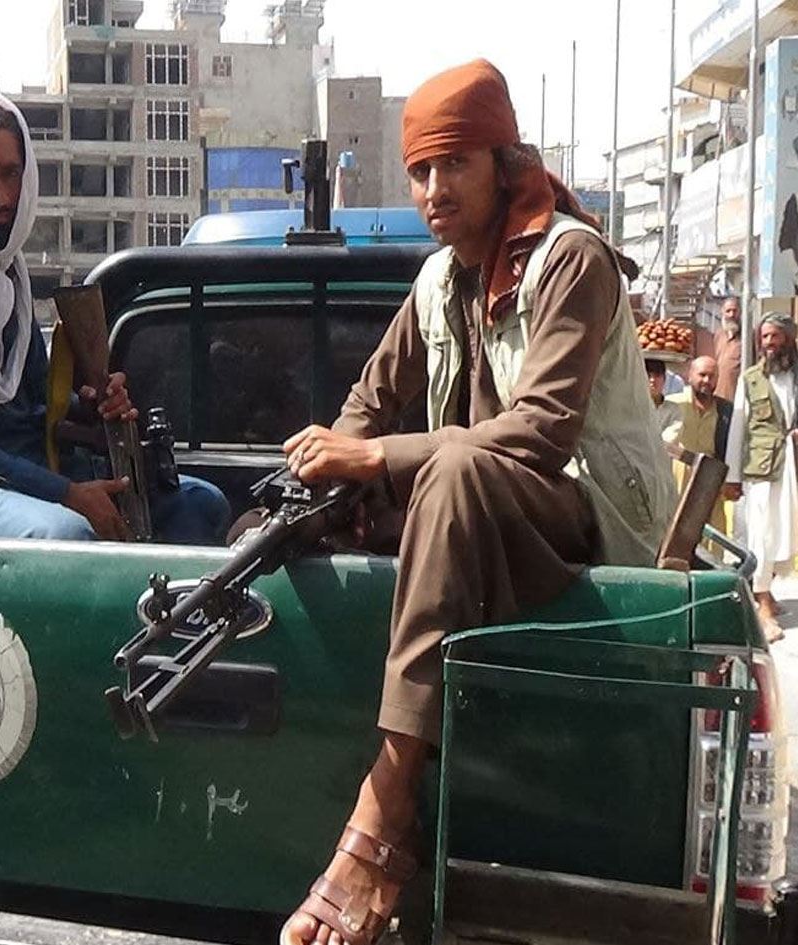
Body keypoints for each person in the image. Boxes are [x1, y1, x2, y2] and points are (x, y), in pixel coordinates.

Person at [276, 60, 676, 945]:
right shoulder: (438, 279)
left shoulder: (569, 259)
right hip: (485, 520)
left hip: (589, 518)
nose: (434, 188)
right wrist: (323, 472)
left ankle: (382, 816)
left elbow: (540, 433)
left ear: (503, 159)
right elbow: (369, 400)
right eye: (420, 169)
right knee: (302, 515)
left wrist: (375, 456)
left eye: (454, 163)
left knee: (449, 471)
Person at [0, 79, 229, 543]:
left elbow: (38, 405)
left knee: (200, 504)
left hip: (34, 476)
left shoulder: (5, 276)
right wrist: (68, 493)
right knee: (67, 535)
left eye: (10, 174)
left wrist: (95, 406)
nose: (1, 197)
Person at [725, 312, 798, 642]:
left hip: (797, 464)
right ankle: (761, 600)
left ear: (789, 339)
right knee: (763, 532)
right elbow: (738, 429)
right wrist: (732, 476)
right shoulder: (751, 379)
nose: (768, 343)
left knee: (790, 531)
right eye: (763, 337)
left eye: (774, 336)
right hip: (762, 467)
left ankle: (767, 588)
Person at [665, 355, 737, 541]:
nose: (706, 380)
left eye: (712, 376)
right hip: (678, 475)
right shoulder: (673, 403)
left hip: (710, 477)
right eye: (702, 375)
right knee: (673, 532)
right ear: (690, 376)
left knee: (713, 536)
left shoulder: (726, 411)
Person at [645, 358, 682, 441]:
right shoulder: (631, 408)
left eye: (657, 375)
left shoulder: (673, 410)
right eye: (648, 376)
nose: (652, 380)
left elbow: (669, 439)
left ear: (664, 379)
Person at [714, 297, 743, 402]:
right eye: (728, 311)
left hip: (738, 397)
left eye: (735, 311)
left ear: (740, 312)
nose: (731, 315)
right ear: (722, 312)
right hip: (718, 395)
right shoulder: (719, 335)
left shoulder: (749, 336)